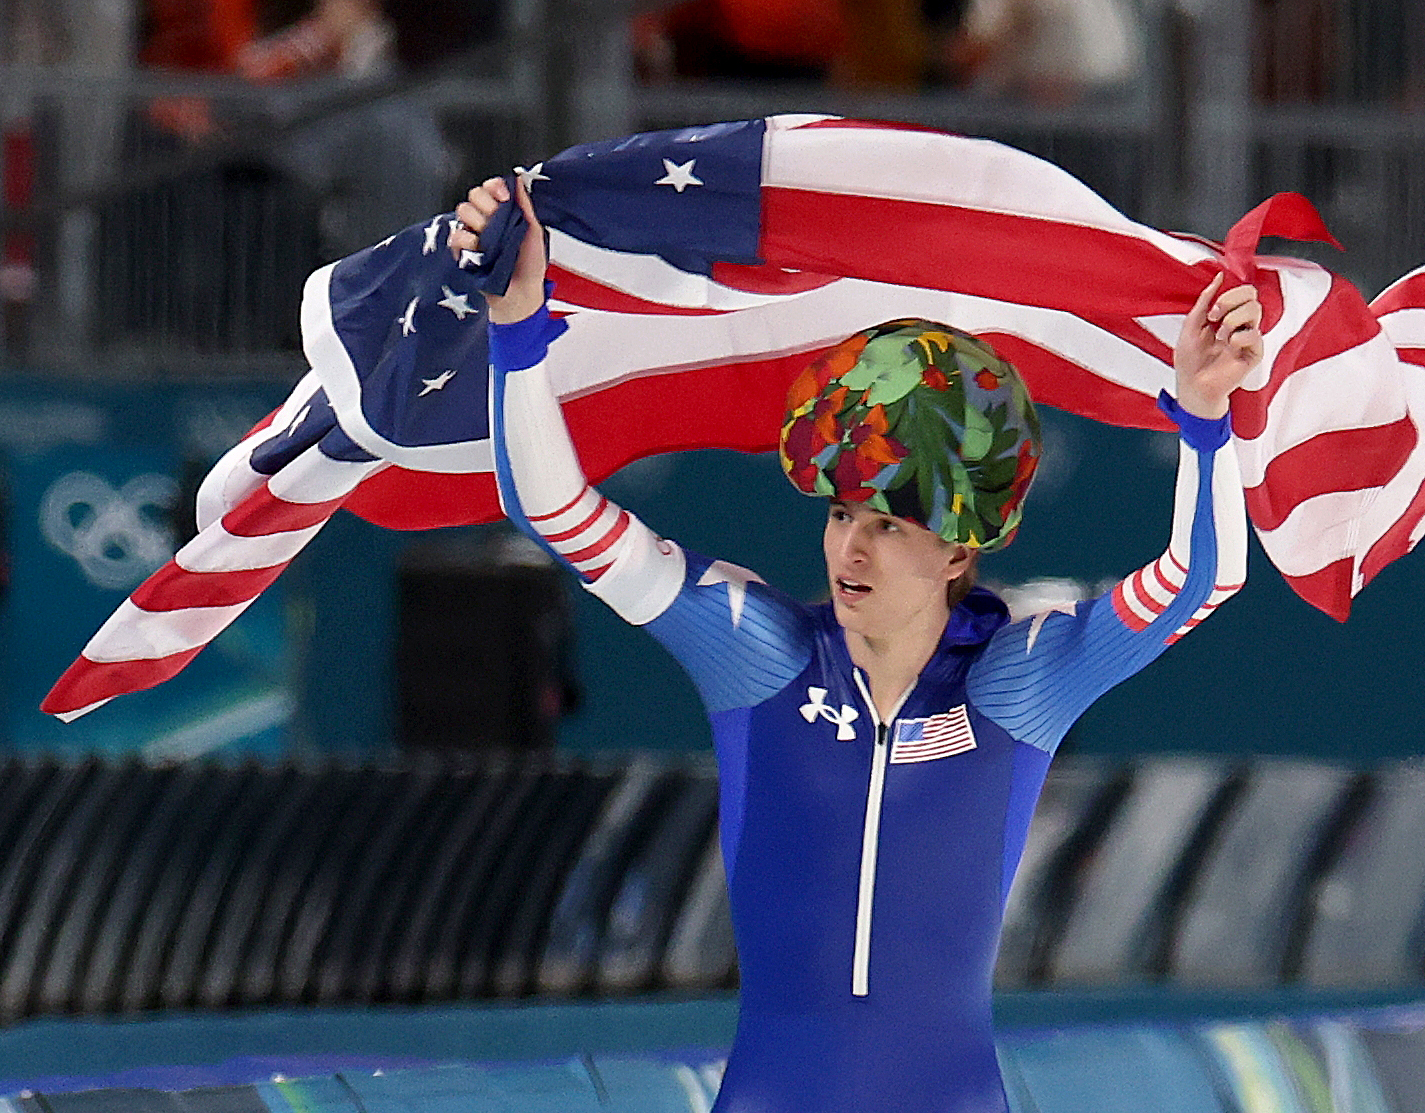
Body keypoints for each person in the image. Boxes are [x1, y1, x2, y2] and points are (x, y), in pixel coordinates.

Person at [450, 173, 1257, 1113]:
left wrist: (1205, 419)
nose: (849, 548)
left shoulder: (1013, 684)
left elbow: (1201, 579)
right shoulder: (758, 653)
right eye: (840, 515)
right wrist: (516, 330)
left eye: (888, 526)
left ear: (957, 546)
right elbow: (552, 510)